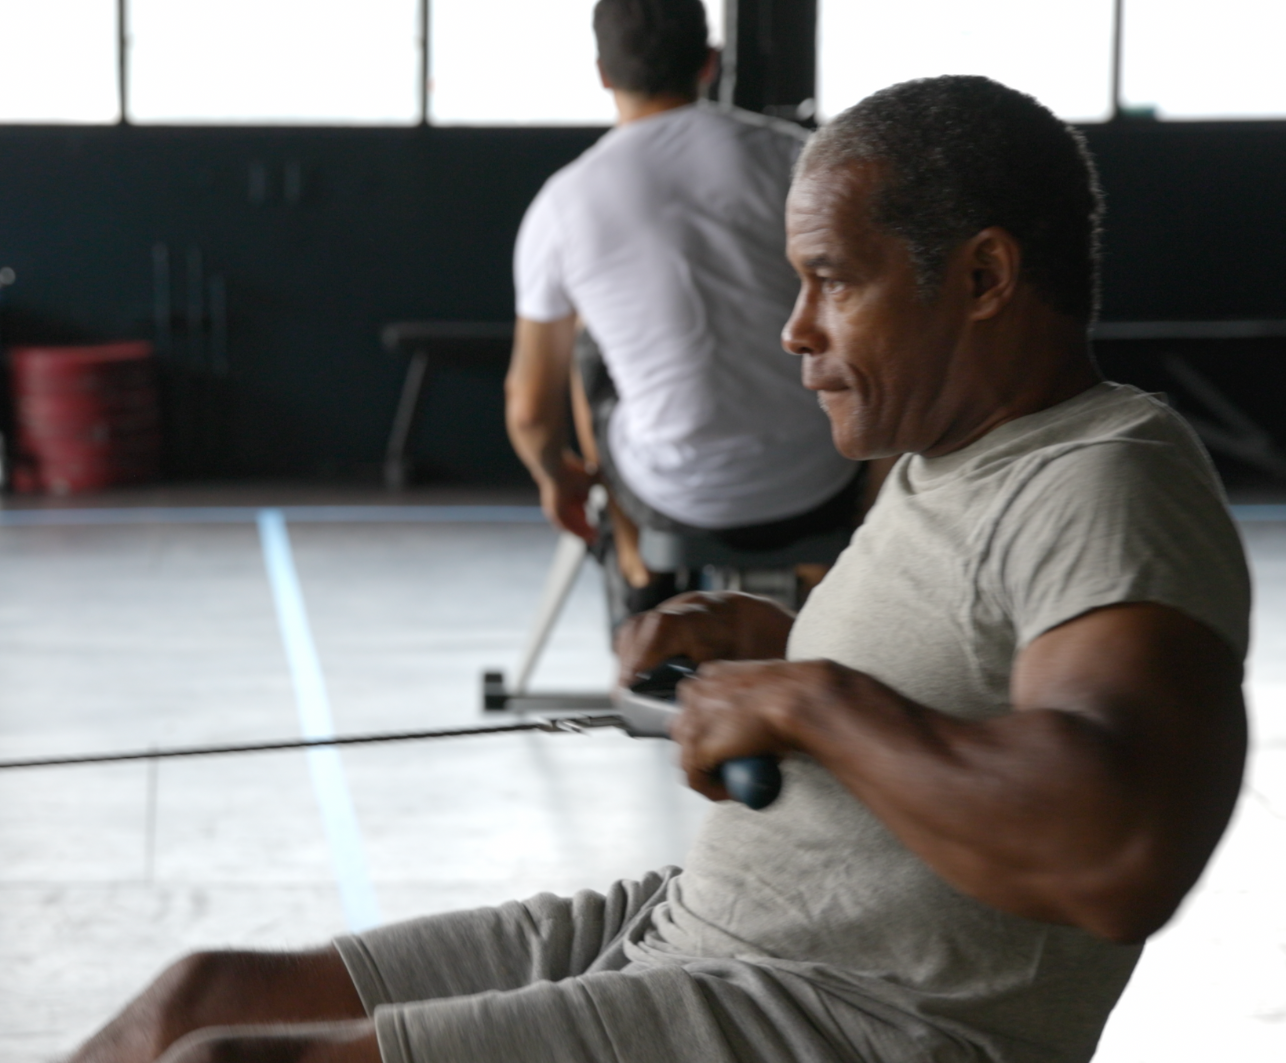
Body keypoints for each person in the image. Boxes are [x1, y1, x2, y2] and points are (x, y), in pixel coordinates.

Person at [64, 76, 1251, 1063]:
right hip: (694, 928)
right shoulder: (940, 459)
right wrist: (779, 644)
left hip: (838, 1016)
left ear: (985, 278)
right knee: (197, 998)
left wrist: (810, 699)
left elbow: (1119, 844)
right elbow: (967, 680)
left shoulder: (1105, 474)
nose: (794, 326)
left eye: (831, 278)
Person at [504, 0, 858, 609]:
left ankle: (639, 574)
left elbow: (532, 414)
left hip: (675, 497)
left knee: (590, 343)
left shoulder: (563, 203)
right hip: (826, 480)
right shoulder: (799, 158)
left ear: (602, 73)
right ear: (709, 64)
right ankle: (824, 585)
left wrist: (556, 479)